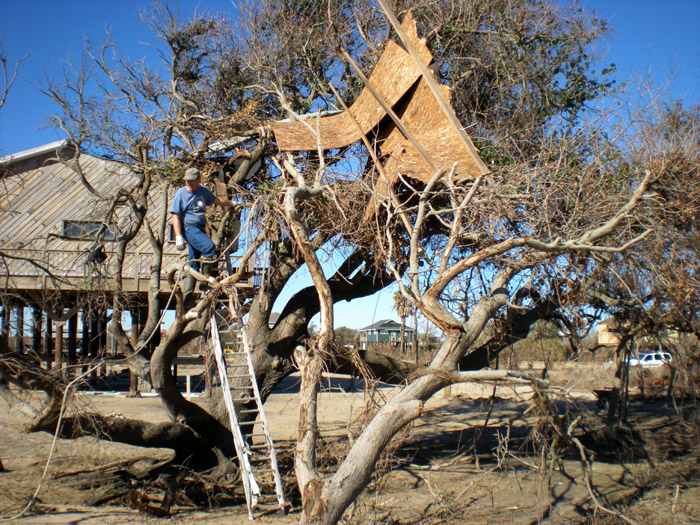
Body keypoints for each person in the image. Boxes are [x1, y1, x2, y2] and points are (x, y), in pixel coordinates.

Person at [171, 167, 233, 305]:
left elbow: (217, 200)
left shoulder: (203, 192)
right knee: (209, 247)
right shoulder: (180, 194)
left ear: (199, 180)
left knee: (193, 261)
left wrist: (232, 203)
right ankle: (204, 281)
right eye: (187, 181)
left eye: (192, 181)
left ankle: (187, 298)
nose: (189, 183)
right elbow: (175, 216)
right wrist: (178, 236)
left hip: (199, 228)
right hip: (188, 228)